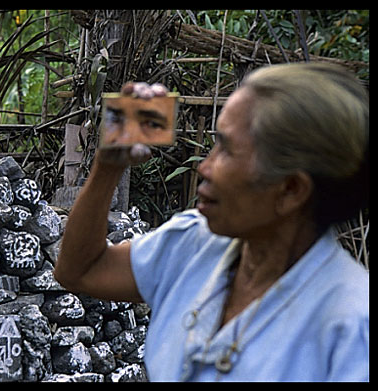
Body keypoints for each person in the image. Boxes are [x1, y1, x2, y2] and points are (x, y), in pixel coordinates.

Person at [54, 63, 369, 382]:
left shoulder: (351, 328)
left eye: (227, 150)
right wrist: (106, 168)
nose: (204, 167)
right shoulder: (194, 244)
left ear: (290, 189)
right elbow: (80, 270)